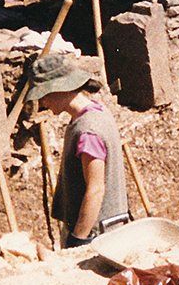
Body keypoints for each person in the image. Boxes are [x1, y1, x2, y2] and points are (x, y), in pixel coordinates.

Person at [26, 54, 129, 248]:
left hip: (96, 234)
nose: (43, 102)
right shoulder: (98, 111)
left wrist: (78, 239)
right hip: (108, 227)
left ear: (60, 89)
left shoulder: (88, 131)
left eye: (45, 95)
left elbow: (96, 189)